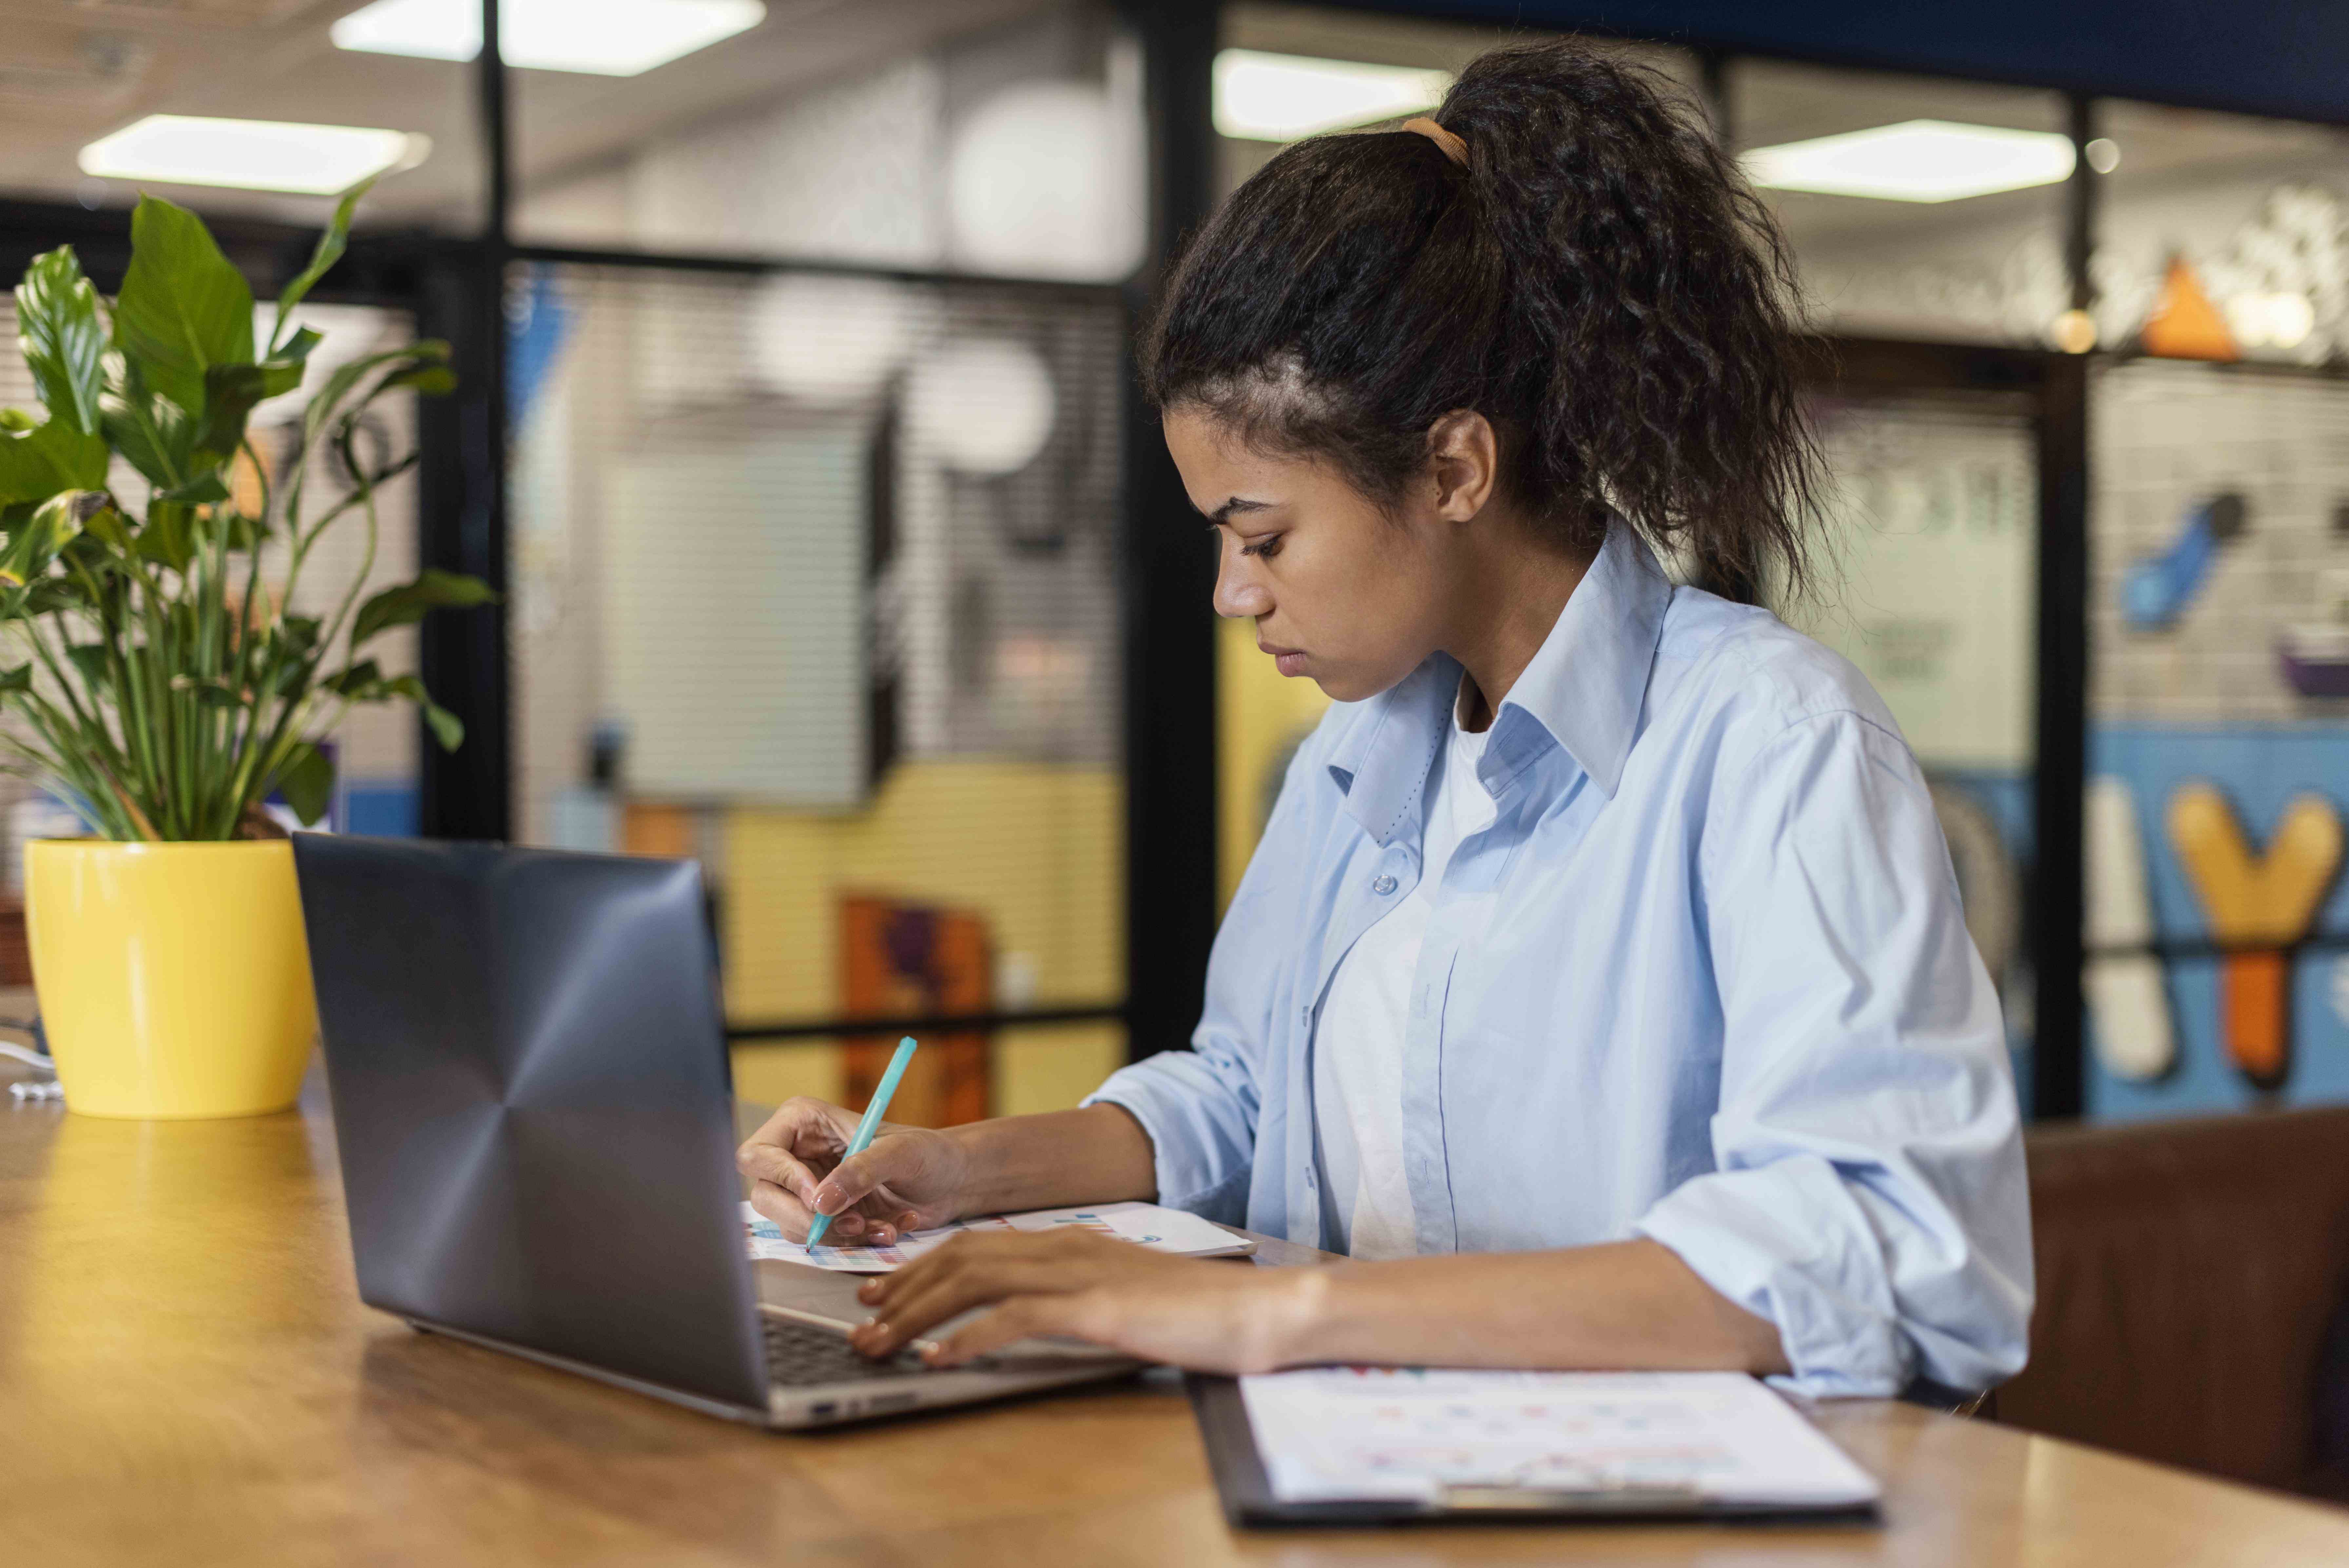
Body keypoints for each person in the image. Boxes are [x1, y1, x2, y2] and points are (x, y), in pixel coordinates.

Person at [739, 38, 2031, 1398]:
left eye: (1265, 536)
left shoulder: (1772, 745)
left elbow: (1879, 1250)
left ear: (1454, 468)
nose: (1235, 594)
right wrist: (959, 1169)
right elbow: (1243, 1091)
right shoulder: (1351, 759)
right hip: (1360, 1474)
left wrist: (1283, 1312)